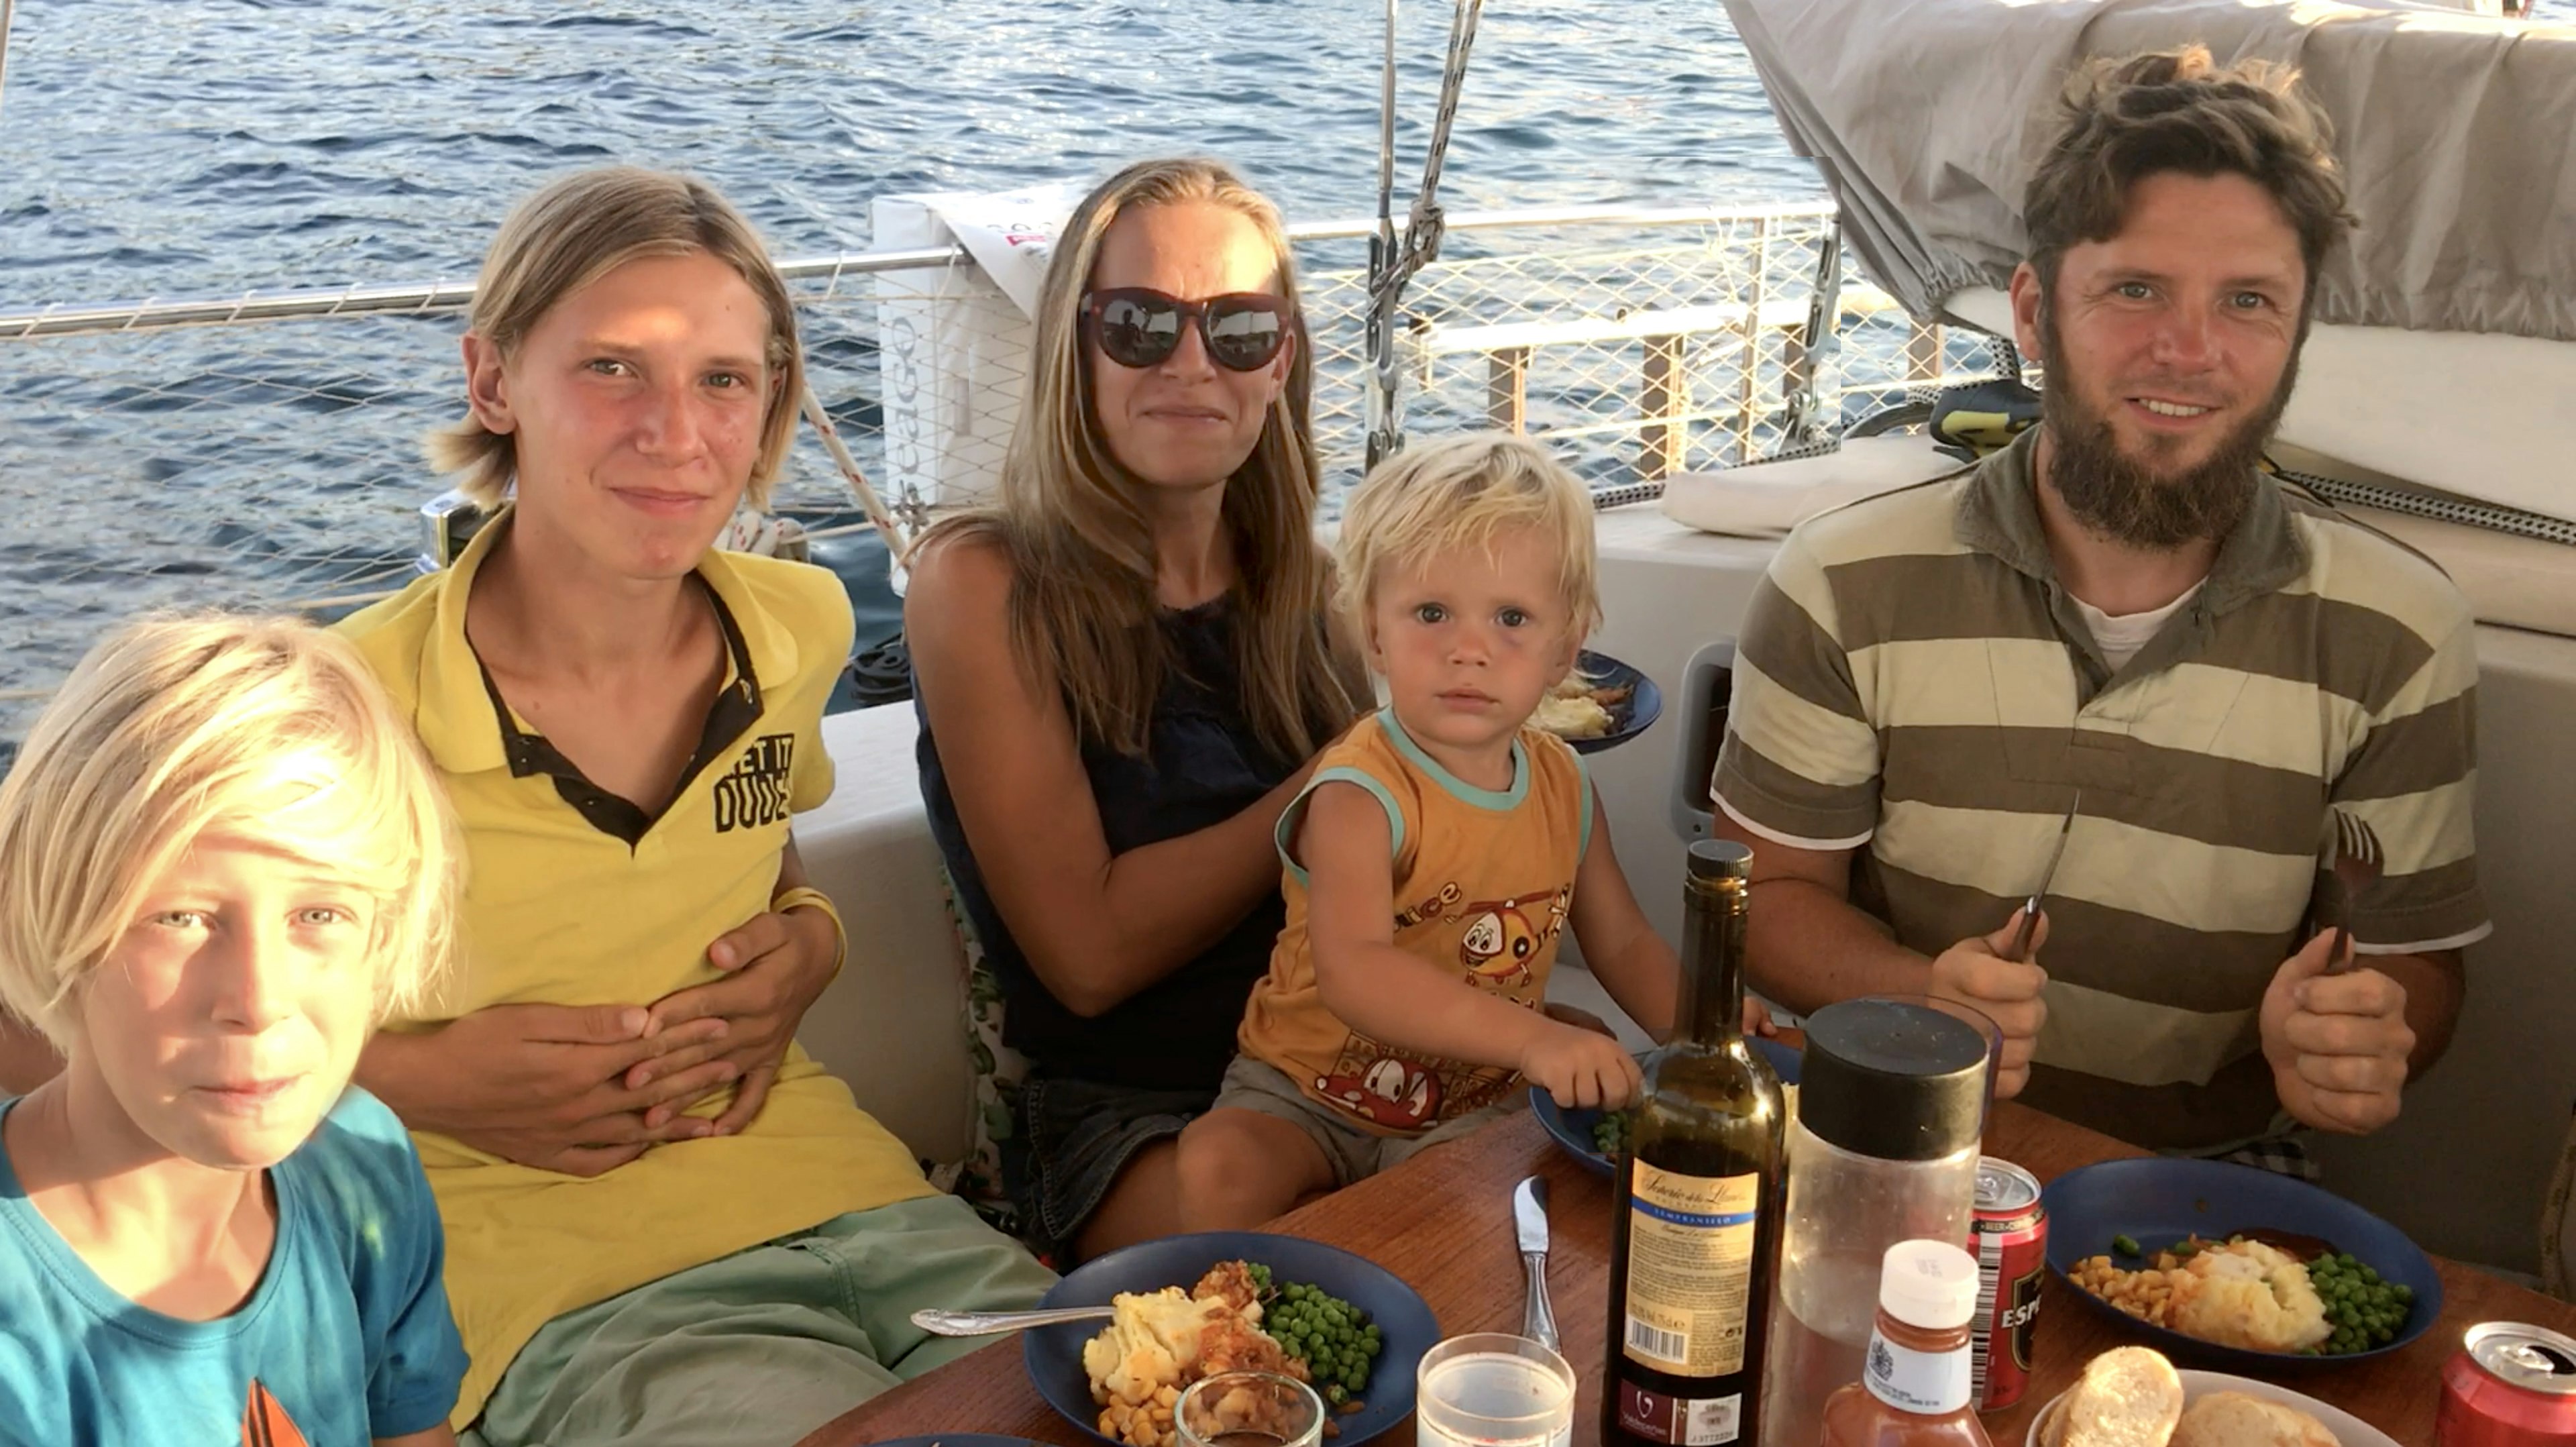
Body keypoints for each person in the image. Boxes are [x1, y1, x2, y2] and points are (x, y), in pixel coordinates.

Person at [337, 168, 1051, 1447]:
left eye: (724, 378)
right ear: (493, 381)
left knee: (1163, 1402)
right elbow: (45, 1014)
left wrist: (816, 938)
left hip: (867, 1209)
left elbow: (749, 862)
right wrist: (402, 1080)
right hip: (567, 1292)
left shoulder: (795, 626)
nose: (679, 432)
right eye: (614, 367)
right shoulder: (342, 708)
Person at [1713, 48, 2486, 1171]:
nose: (2190, 350)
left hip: (2211, 1188)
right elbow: (1774, 895)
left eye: (2249, 302)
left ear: (2299, 334)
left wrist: (2359, 1035)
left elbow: (2418, 963)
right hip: (1895, 1142)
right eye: (2136, 290)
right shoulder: (1838, 583)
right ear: (2034, 313)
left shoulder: (2403, 633)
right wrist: (1922, 995)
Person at [906, 157, 1368, 1263]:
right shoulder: (983, 583)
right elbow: (1089, 953)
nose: (1191, 364)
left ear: (1281, 360)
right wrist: (1347, 774)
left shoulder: (1309, 585)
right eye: (1141, 324)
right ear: (1076, 342)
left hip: (1343, 1060)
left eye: (1239, 329)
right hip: (1131, 1116)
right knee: (1311, 1244)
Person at [1171, 433, 1684, 1228]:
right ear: (1374, 633)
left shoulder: (1566, 786)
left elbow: (1621, 943)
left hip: (1472, 1102)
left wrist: (1706, 1042)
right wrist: (1535, 1041)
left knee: (1497, 1204)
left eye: (1512, 617)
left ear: (1566, 648)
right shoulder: (1358, 792)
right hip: (1307, 1095)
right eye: (1431, 613)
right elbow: (1359, 971)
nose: (1469, 650)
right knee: (1215, 1166)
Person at [0, 614, 468, 1445]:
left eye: (318, 913)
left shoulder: (364, 1168)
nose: (259, 999)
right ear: (58, 917)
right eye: (180, 916)